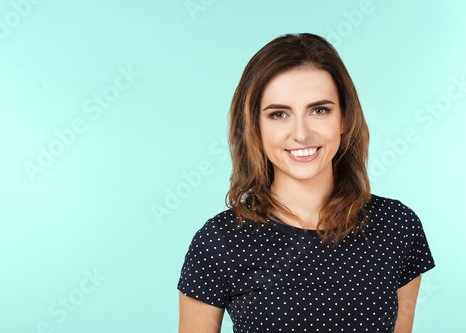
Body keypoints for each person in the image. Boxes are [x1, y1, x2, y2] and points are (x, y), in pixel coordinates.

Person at [177, 33, 436, 332]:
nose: (301, 133)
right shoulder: (219, 241)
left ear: (344, 118)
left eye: (319, 110)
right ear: (255, 127)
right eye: (278, 114)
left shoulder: (397, 226)